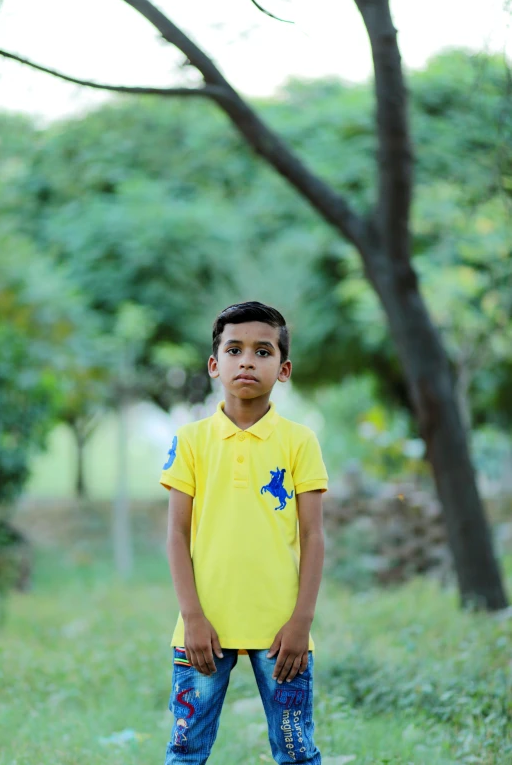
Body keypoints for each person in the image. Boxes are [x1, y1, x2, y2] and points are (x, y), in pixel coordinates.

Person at [160, 301, 328, 764]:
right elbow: (176, 534)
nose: (248, 361)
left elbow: (314, 536)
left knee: (297, 752)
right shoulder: (190, 440)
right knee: (185, 750)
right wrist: (192, 617)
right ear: (215, 364)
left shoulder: (299, 441)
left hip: (282, 633)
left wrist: (301, 622)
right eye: (234, 350)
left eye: (263, 351)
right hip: (202, 630)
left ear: (284, 368)